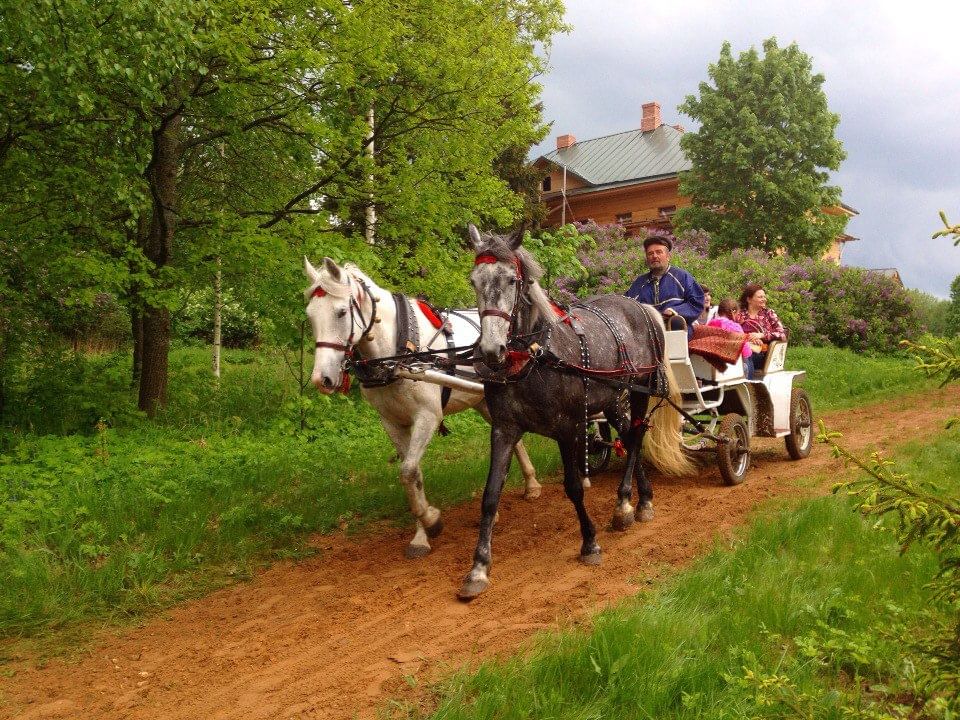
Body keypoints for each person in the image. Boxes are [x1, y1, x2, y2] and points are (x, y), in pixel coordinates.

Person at [625, 235, 705, 338]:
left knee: (676, 322)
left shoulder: (681, 276)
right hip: (648, 332)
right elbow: (628, 305)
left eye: (659, 252)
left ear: (668, 256)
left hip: (675, 328)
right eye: (650, 253)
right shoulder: (639, 283)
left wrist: (675, 311)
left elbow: (697, 303)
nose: (654, 256)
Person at [733, 283, 787, 374]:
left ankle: (747, 384)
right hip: (741, 347)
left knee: (746, 353)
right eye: (760, 297)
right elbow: (730, 332)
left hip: (763, 354)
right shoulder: (739, 314)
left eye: (764, 297)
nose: (764, 299)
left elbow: (781, 333)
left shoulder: (768, 313)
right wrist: (748, 339)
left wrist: (761, 335)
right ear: (749, 299)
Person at [708, 298, 754, 377]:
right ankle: (749, 383)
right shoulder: (735, 327)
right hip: (727, 368)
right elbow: (746, 353)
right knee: (748, 363)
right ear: (735, 312)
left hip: (710, 366)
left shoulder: (710, 324)